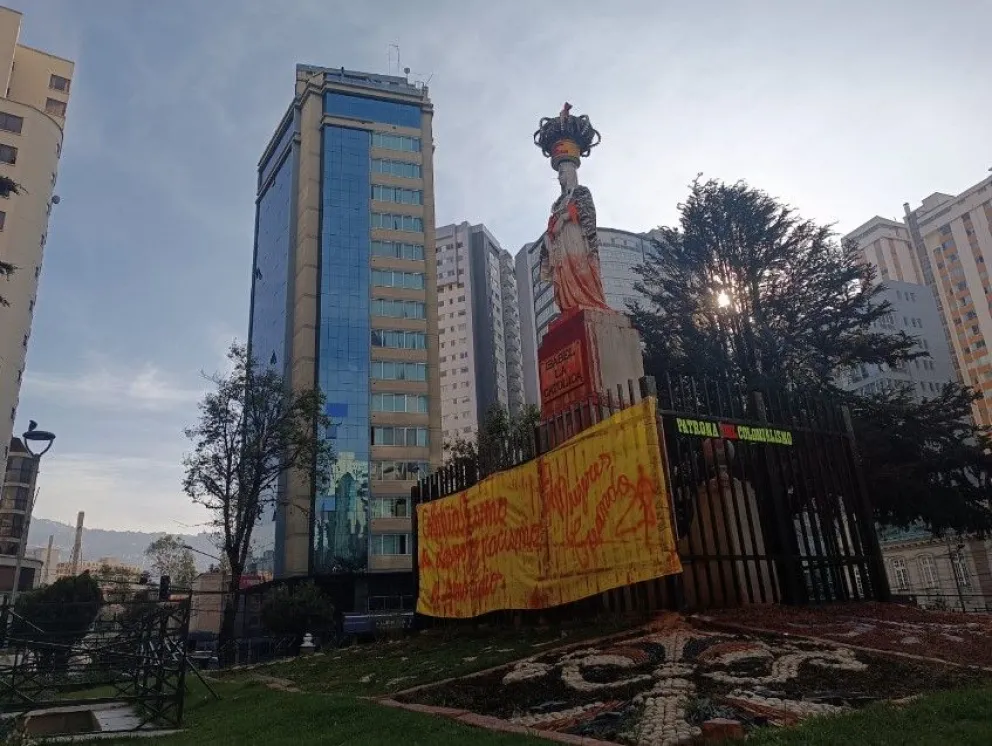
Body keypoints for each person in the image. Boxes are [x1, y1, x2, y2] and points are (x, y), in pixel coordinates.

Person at [539, 159, 612, 317]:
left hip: (576, 237)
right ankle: (570, 304)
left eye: (562, 173)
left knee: (581, 267)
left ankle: (589, 299)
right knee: (565, 272)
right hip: (561, 243)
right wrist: (550, 236)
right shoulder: (558, 202)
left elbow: (587, 213)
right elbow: (551, 225)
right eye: (558, 174)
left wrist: (566, 216)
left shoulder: (581, 192)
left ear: (571, 172)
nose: (560, 177)